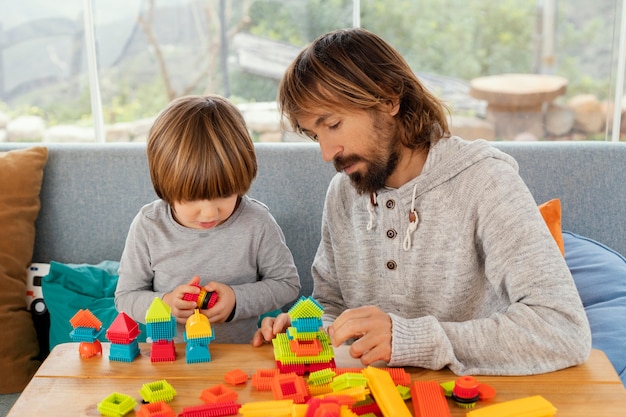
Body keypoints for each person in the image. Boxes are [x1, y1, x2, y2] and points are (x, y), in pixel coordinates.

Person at [252, 28, 591, 375]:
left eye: (334, 124)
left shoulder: (485, 182)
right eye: (314, 135)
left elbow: (563, 328)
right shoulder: (343, 192)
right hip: (373, 397)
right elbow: (332, 303)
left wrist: (409, 338)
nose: (327, 153)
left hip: (476, 399)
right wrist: (305, 329)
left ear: (388, 99)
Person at [115, 94, 301, 343]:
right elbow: (125, 297)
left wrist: (236, 299)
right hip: (171, 360)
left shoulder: (257, 222)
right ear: (166, 187)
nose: (209, 213)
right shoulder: (149, 225)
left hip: (239, 356)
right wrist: (164, 304)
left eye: (224, 194)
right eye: (192, 199)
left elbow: (287, 284)